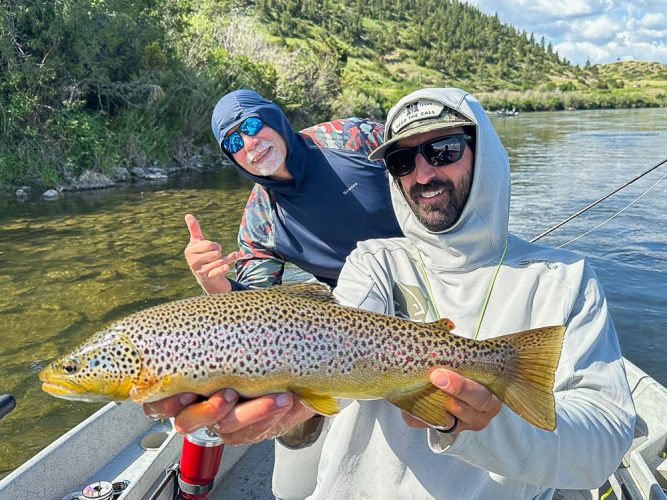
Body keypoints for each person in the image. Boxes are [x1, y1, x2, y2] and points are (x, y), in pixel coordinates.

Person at [146, 88, 635, 498]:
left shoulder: (564, 280)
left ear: (484, 152)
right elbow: (305, 318)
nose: (422, 174)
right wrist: (224, 300)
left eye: (443, 150)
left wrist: (489, 420)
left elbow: (602, 446)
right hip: (333, 314)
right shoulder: (366, 260)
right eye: (402, 160)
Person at [146, 88, 403, 498]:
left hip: (428, 284)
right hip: (347, 326)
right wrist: (215, 285)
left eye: (251, 126)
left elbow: (435, 170)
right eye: (233, 142)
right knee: (292, 478)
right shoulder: (260, 219)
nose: (249, 143)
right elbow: (257, 308)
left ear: (274, 118)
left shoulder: (352, 138)